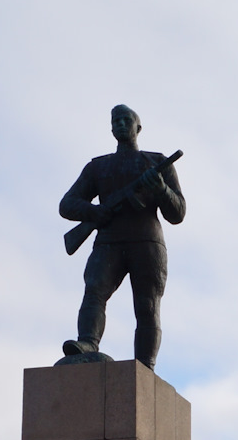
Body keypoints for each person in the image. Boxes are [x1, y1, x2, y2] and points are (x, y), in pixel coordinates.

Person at [58, 105, 187, 369]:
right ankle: (88, 343)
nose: (120, 124)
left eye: (127, 119)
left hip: (147, 242)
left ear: (138, 128)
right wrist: (96, 212)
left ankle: (145, 364)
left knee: (147, 305)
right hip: (109, 240)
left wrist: (161, 189)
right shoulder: (98, 167)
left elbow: (178, 212)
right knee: (94, 291)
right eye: (115, 120)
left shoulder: (157, 162)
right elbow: (67, 204)